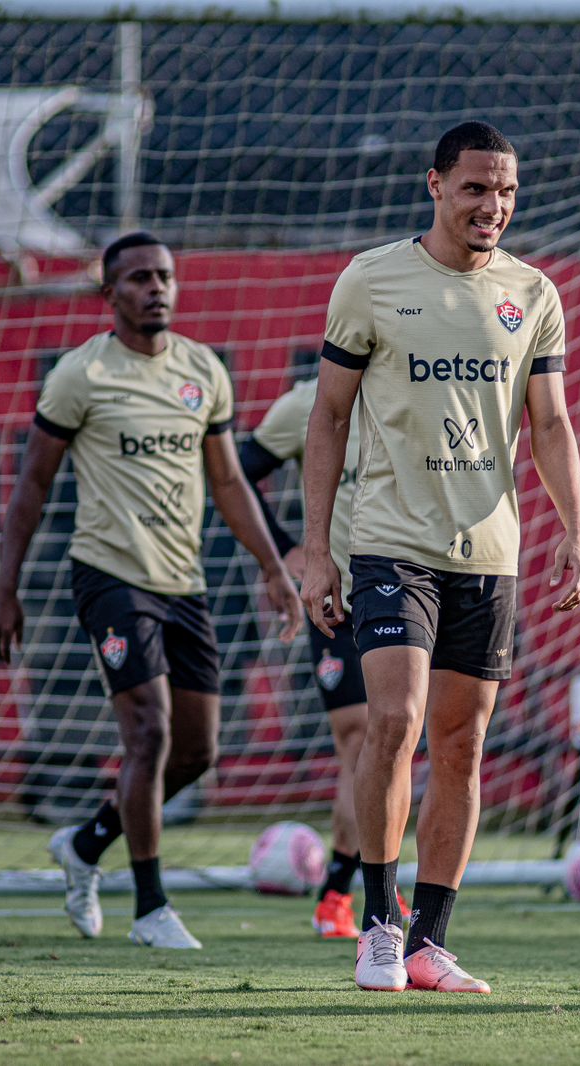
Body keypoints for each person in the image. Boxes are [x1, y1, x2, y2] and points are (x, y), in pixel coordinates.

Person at [302, 121, 580, 993]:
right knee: (393, 721)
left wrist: (576, 526)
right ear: (435, 186)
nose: (492, 206)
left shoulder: (533, 292)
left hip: (490, 552)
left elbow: (549, 423)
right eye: (475, 188)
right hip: (391, 543)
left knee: (462, 746)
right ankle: (378, 928)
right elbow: (327, 417)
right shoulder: (372, 279)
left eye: (505, 191)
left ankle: (430, 940)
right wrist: (317, 552)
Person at [0, 231, 300, 951]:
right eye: (137, 278)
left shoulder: (202, 372)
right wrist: (4, 585)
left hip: (182, 582)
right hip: (109, 575)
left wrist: (275, 570)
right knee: (150, 732)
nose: (155, 288)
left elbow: (228, 481)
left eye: (163, 276)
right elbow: (32, 482)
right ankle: (151, 907)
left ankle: (87, 845)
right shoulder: (80, 375)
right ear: (110, 293)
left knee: (198, 750)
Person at [239, 374, 373, 938]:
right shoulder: (302, 404)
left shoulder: (411, 388)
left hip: (413, 587)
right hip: (338, 599)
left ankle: (373, 887)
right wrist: (286, 552)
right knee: (363, 740)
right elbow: (236, 474)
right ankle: (339, 896)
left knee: (404, 743)